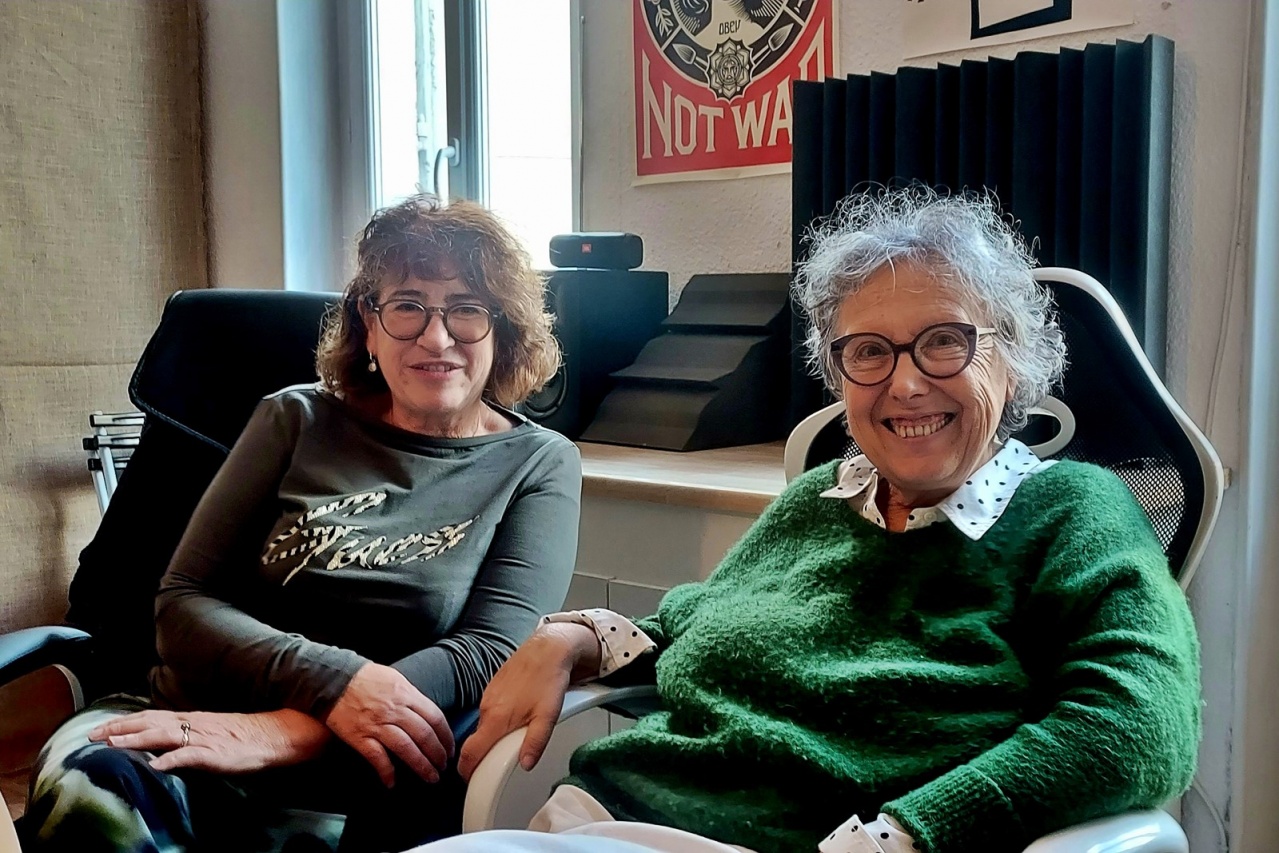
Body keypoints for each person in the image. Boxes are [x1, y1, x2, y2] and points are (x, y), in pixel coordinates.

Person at [417, 189, 1201, 853]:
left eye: (944, 341)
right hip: (611, 817)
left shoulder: (1074, 511)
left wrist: (901, 834)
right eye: (868, 351)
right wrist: (577, 635)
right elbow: (691, 629)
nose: (905, 384)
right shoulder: (820, 496)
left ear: (1011, 356)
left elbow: (1135, 727)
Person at [23, 195, 583, 853]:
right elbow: (183, 602)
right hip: (186, 717)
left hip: (364, 760)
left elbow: (489, 650)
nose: (436, 338)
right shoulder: (294, 418)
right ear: (368, 324)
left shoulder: (536, 461)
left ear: (502, 327)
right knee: (95, 798)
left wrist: (285, 731)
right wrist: (335, 679)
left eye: (466, 308)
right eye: (407, 306)